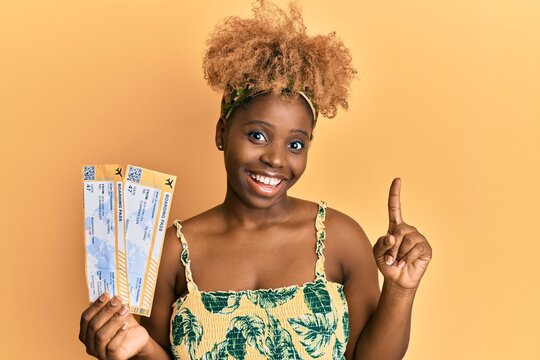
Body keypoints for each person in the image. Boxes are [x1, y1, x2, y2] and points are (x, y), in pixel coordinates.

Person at [79, 1, 432, 359]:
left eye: (295, 143)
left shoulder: (341, 239)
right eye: (258, 136)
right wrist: (136, 348)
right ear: (222, 132)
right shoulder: (173, 252)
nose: (276, 159)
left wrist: (401, 290)